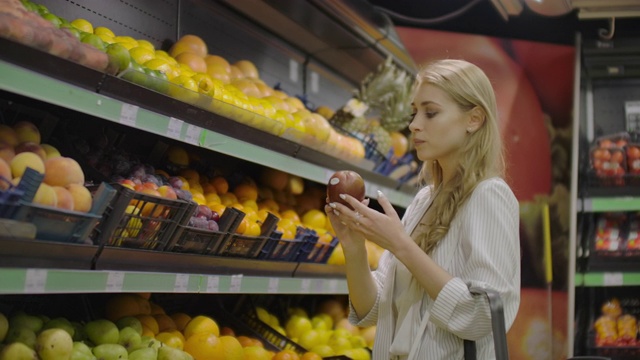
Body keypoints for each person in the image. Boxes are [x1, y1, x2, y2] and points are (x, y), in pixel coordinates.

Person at [325, 59, 520, 360]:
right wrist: (354, 247)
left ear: (474, 119)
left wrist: (400, 244)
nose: (415, 124)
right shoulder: (423, 201)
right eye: (415, 112)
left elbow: (483, 316)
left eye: (431, 112)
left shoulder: (489, 196)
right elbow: (372, 309)